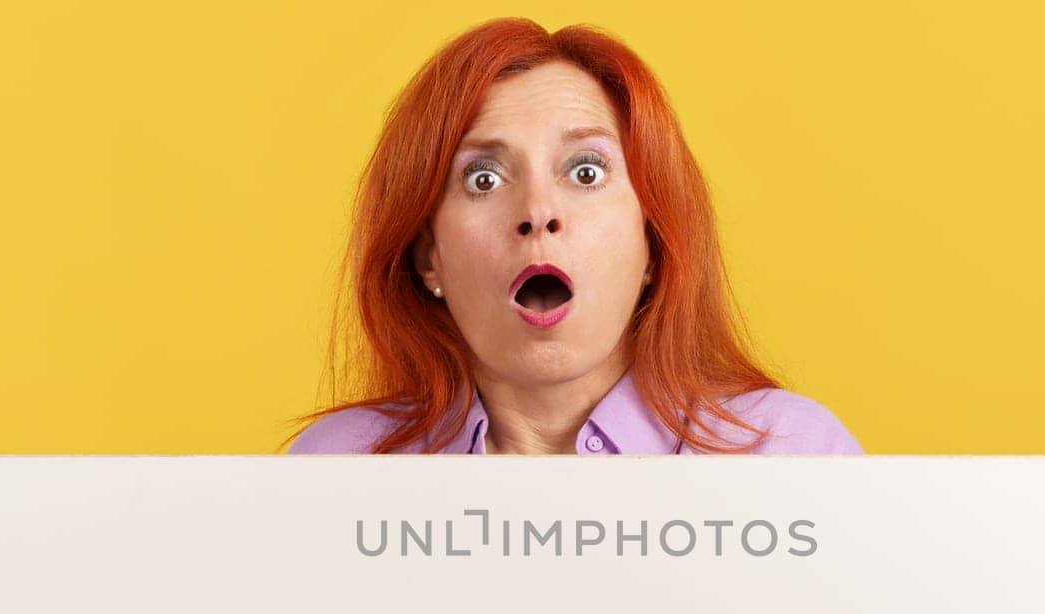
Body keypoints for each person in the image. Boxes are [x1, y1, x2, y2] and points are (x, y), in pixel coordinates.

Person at [281, 18, 864, 456]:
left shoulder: (789, 452)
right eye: (483, 178)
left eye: (586, 171)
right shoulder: (338, 466)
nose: (538, 212)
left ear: (653, 245)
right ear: (429, 257)